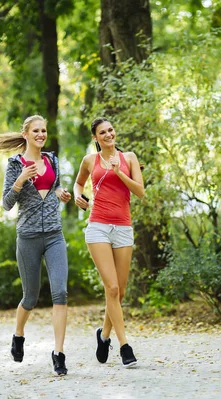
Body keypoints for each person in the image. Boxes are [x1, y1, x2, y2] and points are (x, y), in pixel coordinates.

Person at [0, 115, 72, 376]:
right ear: (26, 134)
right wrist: (21, 179)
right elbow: (6, 204)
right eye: (36, 130)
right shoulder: (14, 164)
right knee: (30, 298)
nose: (41, 134)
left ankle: (58, 354)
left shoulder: (52, 160)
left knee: (61, 294)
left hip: (55, 235)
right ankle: (18, 334)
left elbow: (54, 188)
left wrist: (61, 193)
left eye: (44, 130)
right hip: (28, 238)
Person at [73, 117, 145, 368]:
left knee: (120, 292)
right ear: (95, 138)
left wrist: (117, 171)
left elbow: (140, 191)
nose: (108, 134)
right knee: (111, 288)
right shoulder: (89, 160)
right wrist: (77, 195)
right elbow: (79, 182)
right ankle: (125, 347)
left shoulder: (130, 158)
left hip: (123, 228)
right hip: (98, 228)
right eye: (102, 132)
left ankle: (103, 336)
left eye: (111, 130)